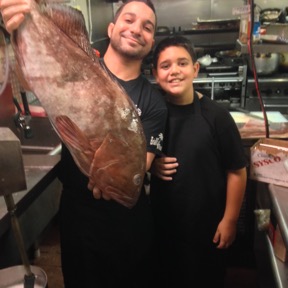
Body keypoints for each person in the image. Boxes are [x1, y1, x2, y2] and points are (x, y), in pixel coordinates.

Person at [0, 1, 167, 287]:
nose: (137, 29)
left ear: (151, 42)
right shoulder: (77, 60)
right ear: (111, 28)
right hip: (79, 216)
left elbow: (140, 166)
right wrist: (13, 26)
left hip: (129, 221)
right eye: (129, 19)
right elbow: (28, 81)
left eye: (147, 27)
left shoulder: (155, 102)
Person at [149, 35, 248, 287]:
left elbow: (237, 171)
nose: (174, 71)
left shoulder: (217, 117)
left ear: (195, 69)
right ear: (155, 73)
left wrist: (230, 220)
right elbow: (138, 155)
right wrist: (152, 164)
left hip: (207, 227)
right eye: (165, 65)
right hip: (163, 227)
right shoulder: (152, 115)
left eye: (182, 63)